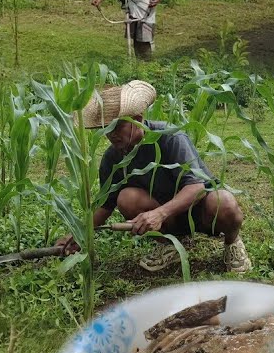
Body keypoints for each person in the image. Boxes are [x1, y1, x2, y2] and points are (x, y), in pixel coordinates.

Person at [56, 80, 251, 273]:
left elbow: (196, 188)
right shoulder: (113, 157)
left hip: (201, 212)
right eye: (106, 128)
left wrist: (160, 213)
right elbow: (106, 204)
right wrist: (79, 235)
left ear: (138, 119)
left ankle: (232, 243)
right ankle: (168, 244)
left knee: (223, 201)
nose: (111, 134)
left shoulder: (170, 137)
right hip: (168, 222)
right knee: (126, 197)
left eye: (117, 126)